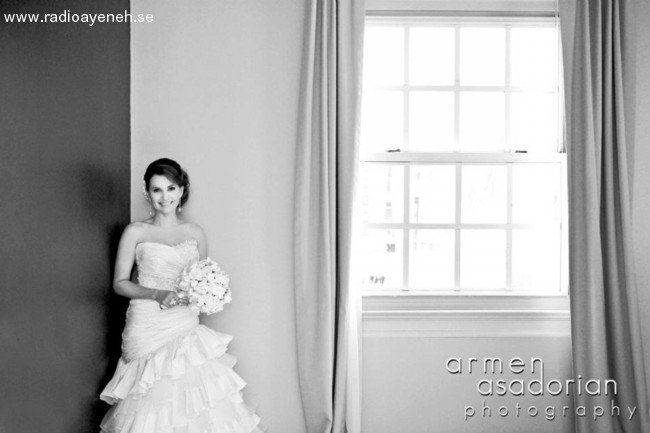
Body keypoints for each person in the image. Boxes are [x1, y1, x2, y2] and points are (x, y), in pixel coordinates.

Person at [99, 158, 263, 433]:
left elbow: (202, 277)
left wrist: (207, 294)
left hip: (184, 322)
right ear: (147, 193)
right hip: (148, 323)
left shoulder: (195, 232)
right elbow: (120, 283)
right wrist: (156, 293)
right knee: (149, 398)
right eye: (157, 190)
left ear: (182, 190)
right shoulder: (136, 231)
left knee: (192, 399)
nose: (165, 197)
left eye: (171, 188)